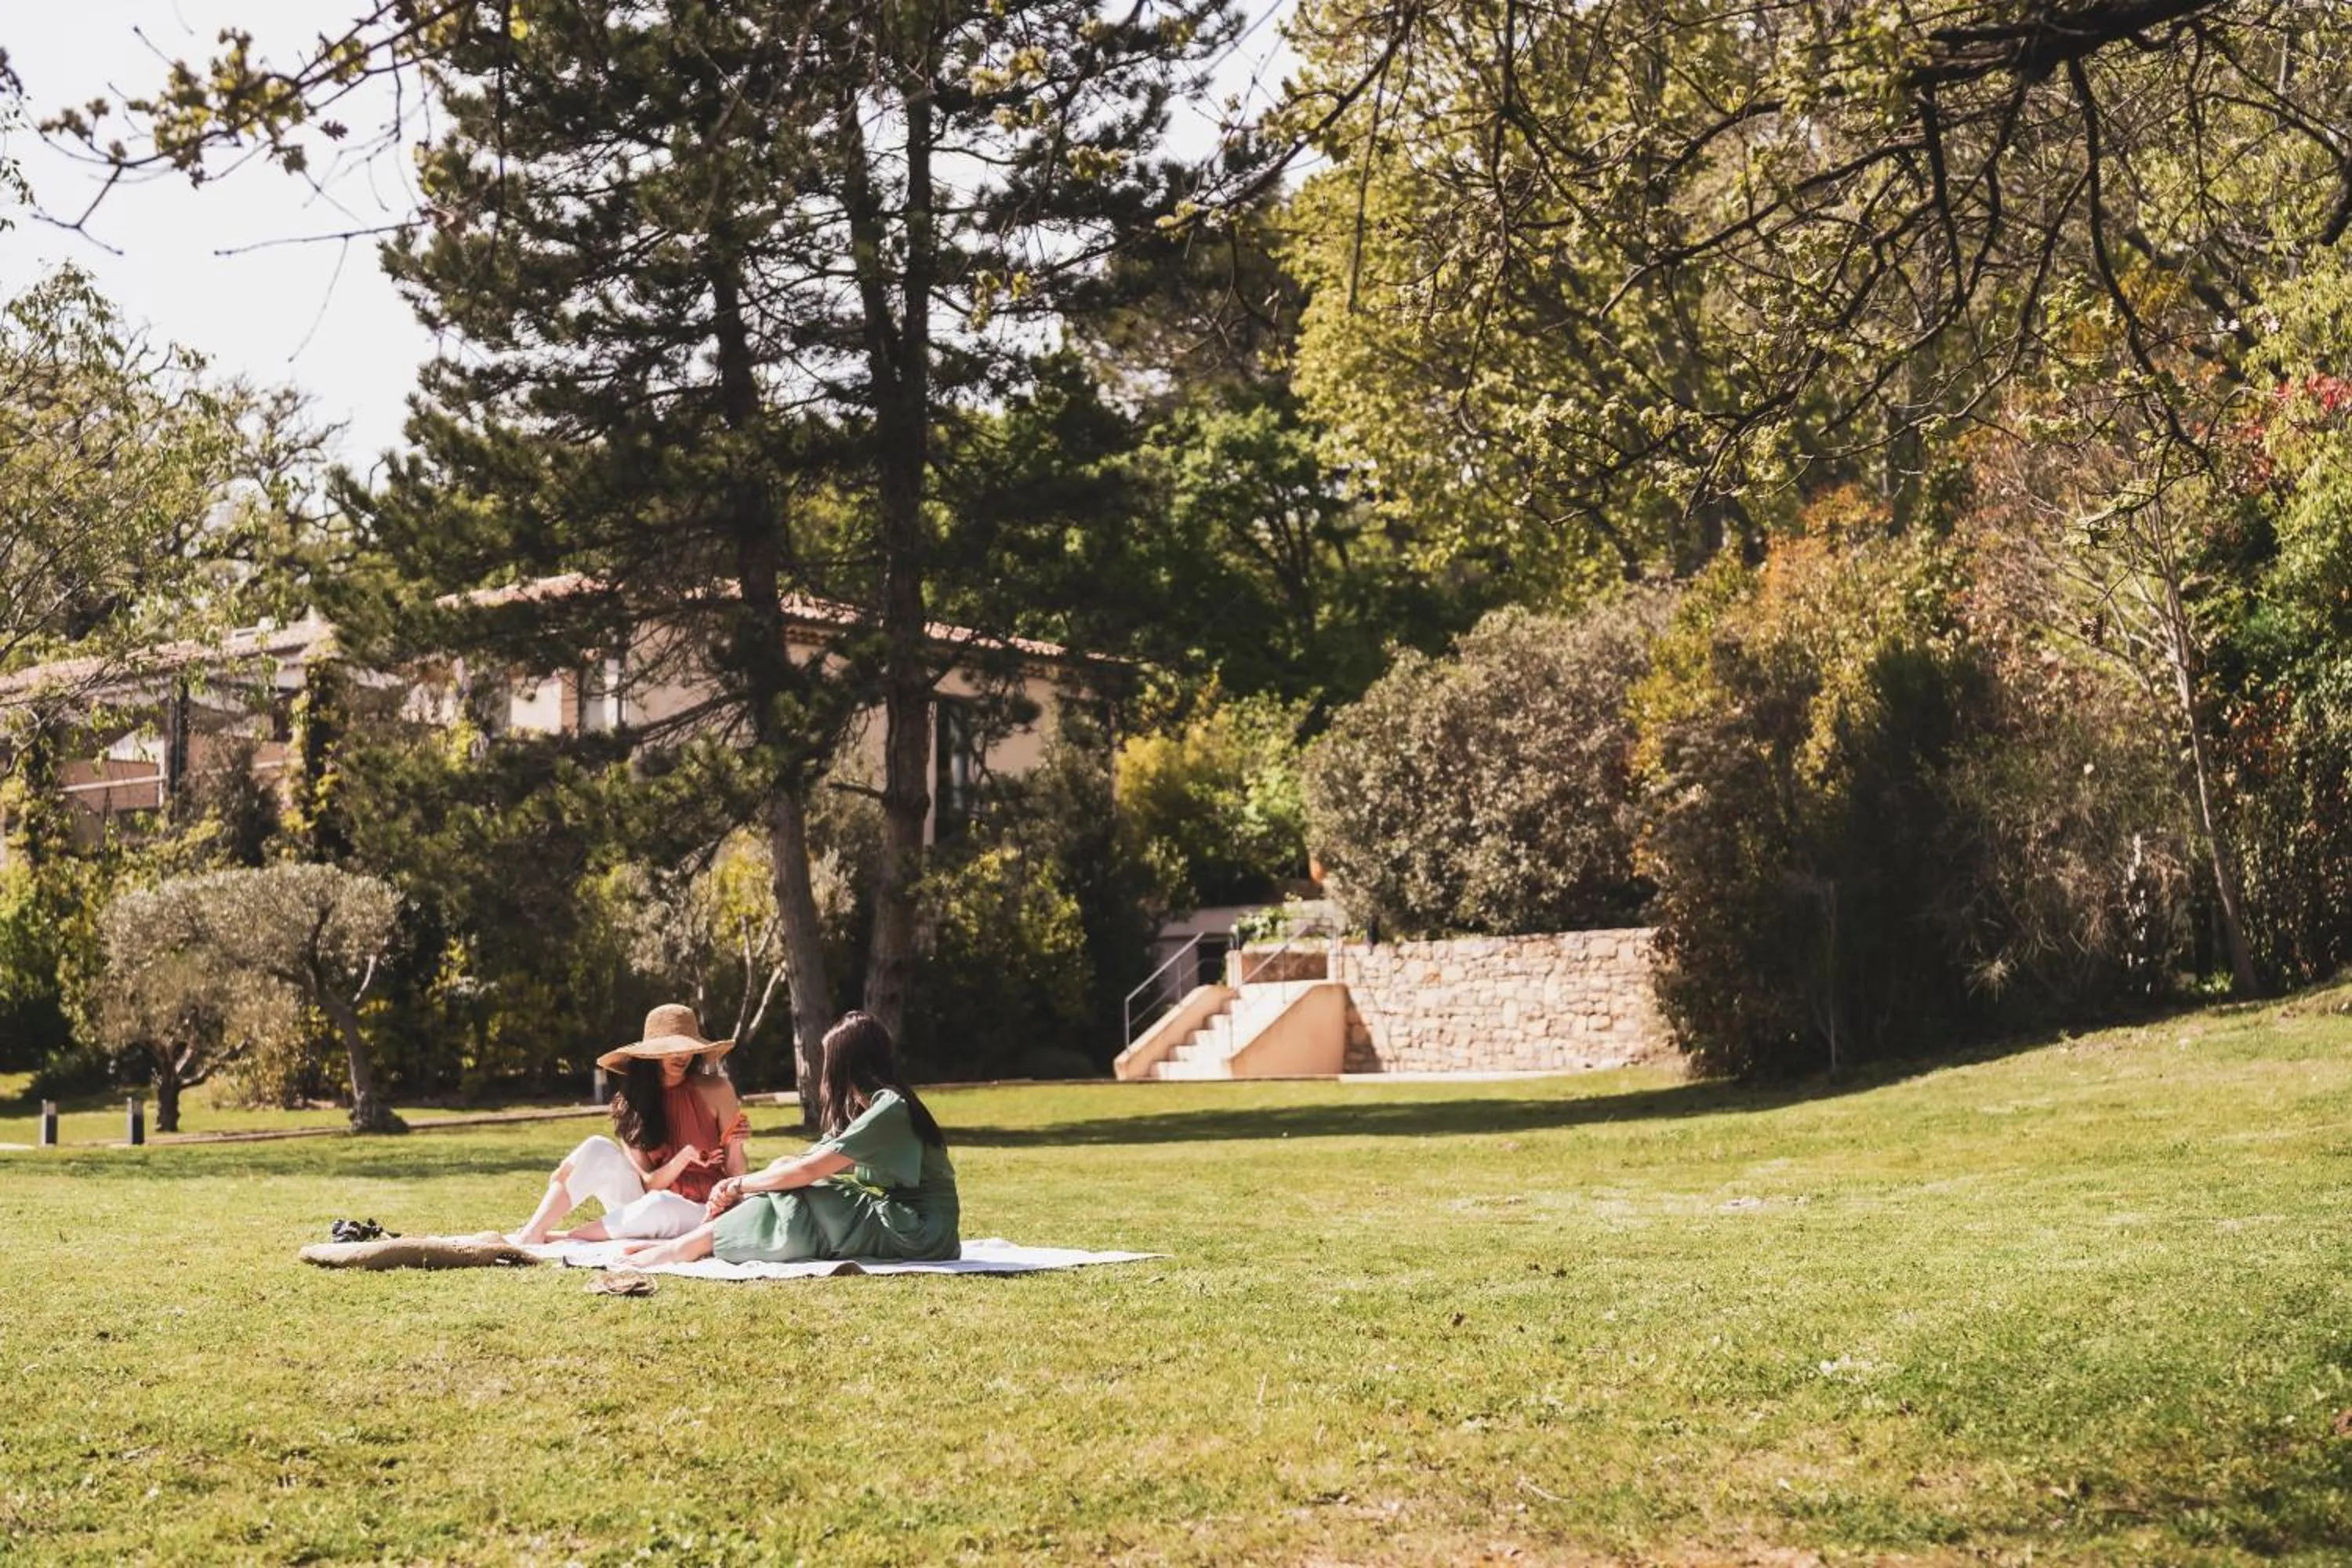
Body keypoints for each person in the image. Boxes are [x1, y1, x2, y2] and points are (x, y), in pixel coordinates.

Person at [617, 1010, 957, 1268]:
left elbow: (808, 1172)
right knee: (785, 1174)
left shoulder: (890, 1109)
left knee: (798, 1192)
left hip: (921, 1231)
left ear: (847, 1064)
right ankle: (694, 1242)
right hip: (906, 1222)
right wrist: (738, 1186)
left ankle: (686, 1246)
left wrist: (737, 1186)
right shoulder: (874, 1108)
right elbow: (801, 1163)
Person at [509, 1004, 750, 1244]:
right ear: (651, 1054)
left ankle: (558, 1238)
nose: (682, 1056)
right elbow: (649, 1185)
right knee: (597, 1147)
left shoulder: (718, 1089)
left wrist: (736, 1144)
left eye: (687, 1048)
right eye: (672, 1048)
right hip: (645, 1202)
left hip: (702, 1208)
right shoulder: (631, 1105)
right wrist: (685, 1157)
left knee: (662, 1205)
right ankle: (532, 1231)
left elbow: (736, 1174)